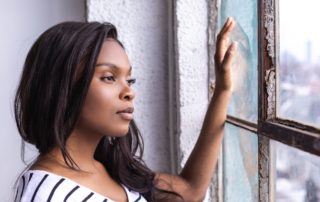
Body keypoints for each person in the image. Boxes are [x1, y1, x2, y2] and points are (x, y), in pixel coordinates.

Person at [13, 17, 237, 202]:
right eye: (109, 77)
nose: (129, 92)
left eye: (130, 80)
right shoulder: (46, 194)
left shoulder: (108, 168)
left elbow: (189, 192)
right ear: (63, 87)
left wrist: (223, 90)